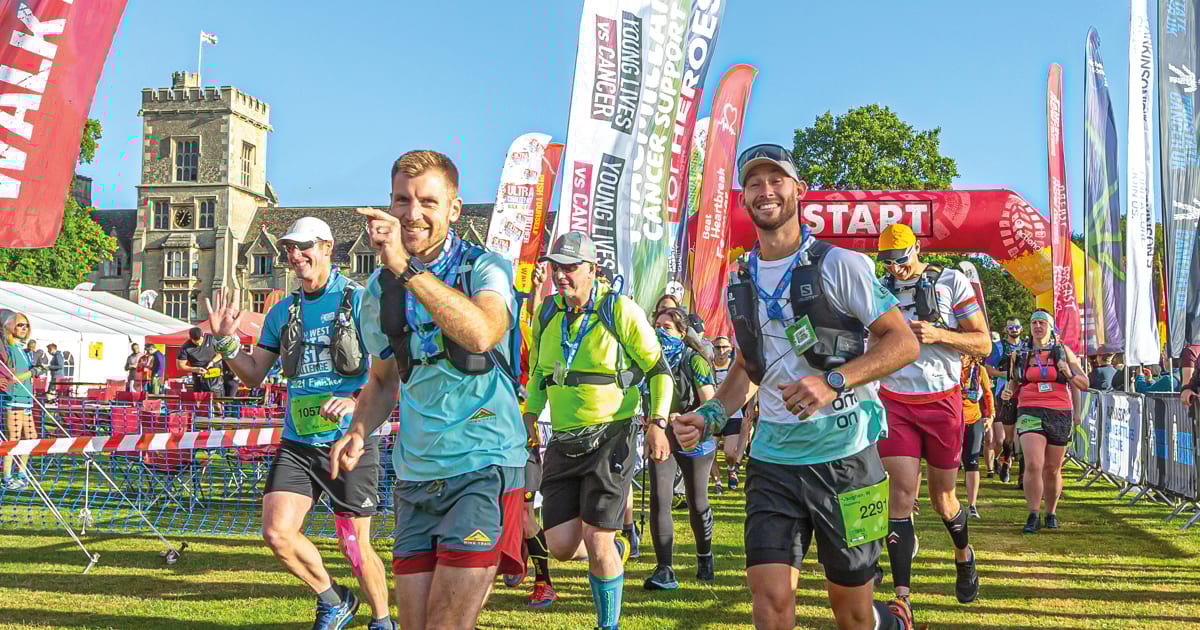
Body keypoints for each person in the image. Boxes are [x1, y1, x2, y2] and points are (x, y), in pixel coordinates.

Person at [675, 144, 921, 629]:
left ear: (798, 191)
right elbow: (747, 366)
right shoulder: (739, 277)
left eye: (776, 180)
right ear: (743, 198)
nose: (766, 191)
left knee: (850, 614)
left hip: (847, 460)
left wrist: (833, 381)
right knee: (770, 605)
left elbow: (904, 342)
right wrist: (707, 417)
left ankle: (889, 622)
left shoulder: (841, 265)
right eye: (754, 183)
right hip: (773, 463)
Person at [333, 150, 527, 630]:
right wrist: (359, 431)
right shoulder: (378, 291)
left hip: (483, 464)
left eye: (428, 202)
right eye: (402, 199)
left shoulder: (486, 267)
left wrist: (407, 270)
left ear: (454, 209)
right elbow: (382, 379)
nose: (412, 213)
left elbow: (483, 332)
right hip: (415, 476)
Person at [206, 216, 394, 630]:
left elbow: (388, 372)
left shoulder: (359, 300)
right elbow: (253, 373)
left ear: (327, 247)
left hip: (350, 441)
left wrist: (353, 401)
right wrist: (225, 342)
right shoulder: (283, 311)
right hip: (298, 441)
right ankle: (334, 599)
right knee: (277, 533)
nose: (295, 255)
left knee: (354, 546)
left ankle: (382, 622)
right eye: (289, 248)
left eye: (303, 246)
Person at [520, 230, 672, 630]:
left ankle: (608, 625)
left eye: (571, 268)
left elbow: (659, 371)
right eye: (557, 267)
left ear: (593, 269)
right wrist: (531, 415)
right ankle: (618, 545)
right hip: (563, 441)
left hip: (611, 436)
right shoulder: (548, 313)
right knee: (562, 547)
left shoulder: (619, 309)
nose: (561, 275)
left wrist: (658, 422)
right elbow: (538, 372)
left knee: (598, 538)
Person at [876, 222, 990, 611]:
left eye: (901, 259)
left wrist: (940, 335)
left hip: (943, 401)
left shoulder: (952, 282)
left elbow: (984, 342)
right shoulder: (880, 289)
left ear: (917, 249)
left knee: (943, 499)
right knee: (901, 494)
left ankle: (964, 555)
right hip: (896, 401)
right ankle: (902, 599)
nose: (895, 269)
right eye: (887, 262)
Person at [642, 306, 718, 591]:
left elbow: (710, 402)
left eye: (667, 327)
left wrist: (685, 419)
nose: (661, 332)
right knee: (660, 498)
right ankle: (664, 569)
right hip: (663, 435)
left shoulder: (694, 360)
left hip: (694, 435)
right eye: (657, 326)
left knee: (697, 502)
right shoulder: (649, 361)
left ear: (683, 333)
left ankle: (704, 556)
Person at [1000, 309, 1089, 533]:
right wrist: (1008, 392)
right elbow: (1014, 382)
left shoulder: (1063, 351)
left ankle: (1051, 511)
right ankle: (1033, 513)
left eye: (1042, 323)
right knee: (1033, 464)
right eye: (1034, 323)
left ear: (1051, 327)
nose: (1037, 326)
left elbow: (1083, 384)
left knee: (1051, 468)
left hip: (1059, 411)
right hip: (1029, 409)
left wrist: (1067, 373)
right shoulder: (1022, 353)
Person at [503, 260, 559, 609]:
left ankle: (544, 581)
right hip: (486, 431)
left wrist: (538, 290)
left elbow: (536, 328)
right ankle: (515, 554)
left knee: (526, 515)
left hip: (526, 429)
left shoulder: (521, 331)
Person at [985, 318, 1024, 483]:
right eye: (1010, 327)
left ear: (1021, 329)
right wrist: (1006, 374)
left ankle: (1022, 475)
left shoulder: (1027, 346)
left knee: (1024, 435)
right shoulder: (999, 347)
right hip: (1004, 393)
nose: (1014, 330)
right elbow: (987, 368)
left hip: (1025, 393)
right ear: (1006, 329)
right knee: (1003, 439)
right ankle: (1005, 460)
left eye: (1016, 327)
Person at [1, 311, 36, 490]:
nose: (24, 328)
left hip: (27, 398)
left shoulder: (23, 349)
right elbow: (13, 377)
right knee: (13, 438)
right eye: (20, 325)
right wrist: (33, 372)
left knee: (31, 437)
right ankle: (6, 477)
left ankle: (21, 473)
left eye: (26, 325)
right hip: (15, 398)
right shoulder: (9, 349)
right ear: (10, 326)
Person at [709, 336, 749, 490]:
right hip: (713, 414)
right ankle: (717, 482)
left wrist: (750, 407)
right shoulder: (707, 366)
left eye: (725, 347)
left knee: (729, 453)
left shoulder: (735, 367)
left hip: (733, 414)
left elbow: (749, 385)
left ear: (731, 349)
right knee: (710, 452)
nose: (721, 351)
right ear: (713, 349)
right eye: (718, 347)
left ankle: (732, 468)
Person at [959, 353, 993, 519]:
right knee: (950, 462)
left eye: (964, 353)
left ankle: (972, 504)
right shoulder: (950, 367)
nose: (961, 357)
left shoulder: (979, 370)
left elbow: (987, 394)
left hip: (973, 419)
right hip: (951, 421)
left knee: (972, 462)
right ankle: (949, 502)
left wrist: (990, 415)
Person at [176, 328, 221, 394]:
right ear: (191, 338)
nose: (199, 344)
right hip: (199, 379)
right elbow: (180, 366)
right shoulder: (185, 347)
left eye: (200, 341)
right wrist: (195, 369)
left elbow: (222, 353)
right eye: (195, 342)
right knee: (200, 401)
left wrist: (212, 361)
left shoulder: (212, 339)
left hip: (215, 377)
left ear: (202, 335)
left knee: (217, 400)